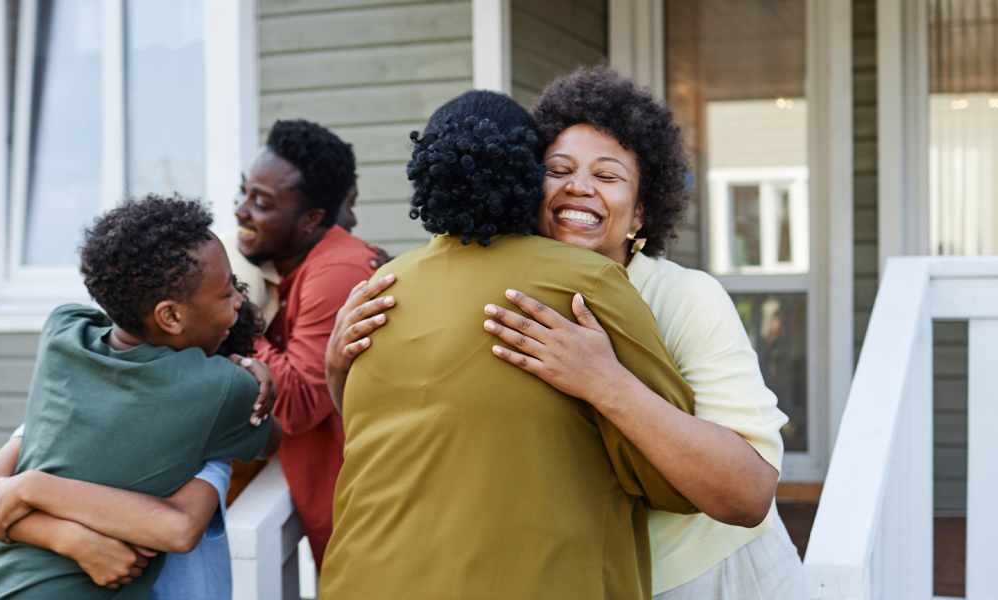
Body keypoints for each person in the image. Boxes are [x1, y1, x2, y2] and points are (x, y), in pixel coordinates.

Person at [329, 66, 805, 599]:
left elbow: (748, 495)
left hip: (713, 571)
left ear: (642, 211)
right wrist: (339, 365)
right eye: (559, 170)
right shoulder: (503, 295)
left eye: (607, 176)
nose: (579, 187)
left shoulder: (687, 297)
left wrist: (604, 381)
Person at [0, 196, 281, 600]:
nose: (238, 300)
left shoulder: (63, 334)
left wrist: (38, 497)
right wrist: (246, 377)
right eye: (225, 293)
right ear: (170, 316)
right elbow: (272, 439)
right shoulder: (219, 390)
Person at [232, 119, 377, 570]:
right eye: (243, 192)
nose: (240, 210)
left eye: (262, 202)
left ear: (312, 219)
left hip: (362, 531)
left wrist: (231, 315)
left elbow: (295, 402)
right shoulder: (299, 267)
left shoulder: (337, 272)